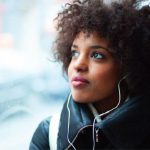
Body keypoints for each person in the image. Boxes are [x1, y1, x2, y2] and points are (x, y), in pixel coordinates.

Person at [29, 0, 150, 149]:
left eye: (97, 55)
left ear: (129, 65)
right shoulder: (49, 135)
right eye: (74, 53)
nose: (78, 64)